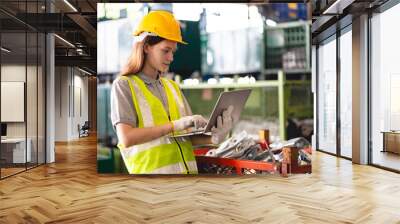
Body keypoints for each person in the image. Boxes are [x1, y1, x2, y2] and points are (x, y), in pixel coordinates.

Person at [110, 10, 233, 174]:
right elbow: (127, 138)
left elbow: (187, 138)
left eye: (173, 52)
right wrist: (174, 125)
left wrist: (216, 136)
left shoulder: (172, 87)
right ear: (146, 47)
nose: (171, 58)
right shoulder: (124, 86)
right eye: (165, 50)